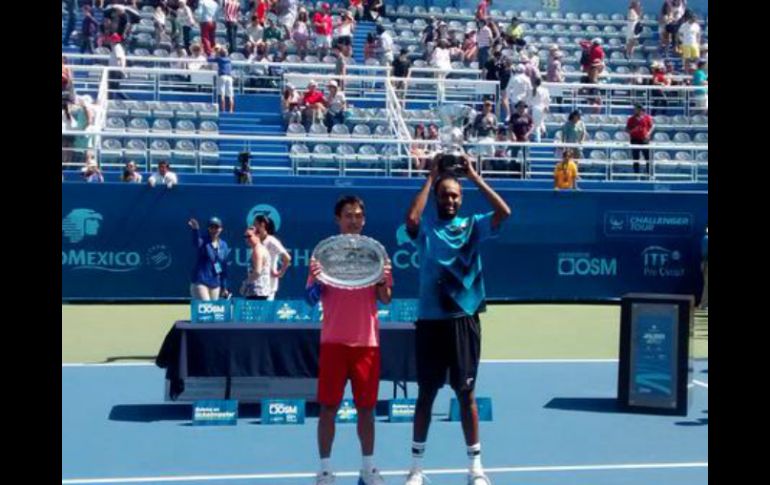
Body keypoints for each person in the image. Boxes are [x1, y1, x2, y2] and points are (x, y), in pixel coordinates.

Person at [403, 153, 511, 485]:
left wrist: (475, 178)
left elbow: (504, 212)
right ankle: (417, 469)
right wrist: (430, 177)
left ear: (461, 199)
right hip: (431, 321)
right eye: (444, 194)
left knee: (466, 396)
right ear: (436, 196)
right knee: (426, 395)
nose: (449, 200)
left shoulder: (472, 226)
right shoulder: (426, 229)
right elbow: (411, 219)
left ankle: (475, 468)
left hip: (463, 320)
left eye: (454, 195)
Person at [306, 195, 393, 485]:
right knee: (328, 408)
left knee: (366, 409)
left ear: (364, 219)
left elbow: (386, 299)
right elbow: (309, 299)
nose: (353, 220)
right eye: (348, 215)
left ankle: (368, 468)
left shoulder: (376, 256)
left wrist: (381, 279)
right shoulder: (323, 257)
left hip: (367, 343)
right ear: (338, 220)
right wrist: (317, 281)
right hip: (333, 342)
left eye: (358, 215)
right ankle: (325, 469)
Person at [188, 216, 231, 301]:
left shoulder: (223, 245)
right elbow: (196, 242)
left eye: (217, 227)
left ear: (221, 229)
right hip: (201, 282)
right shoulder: (203, 241)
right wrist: (195, 230)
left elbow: (224, 267)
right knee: (206, 308)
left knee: (213, 312)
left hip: (215, 284)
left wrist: (224, 287)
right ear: (208, 228)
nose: (214, 230)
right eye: (212, 227)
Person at [253, 214, 292, 301]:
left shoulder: (272, 241)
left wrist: (280, 273)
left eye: (255, 224)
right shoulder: (256, 241)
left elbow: (287, 258)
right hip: (257, 285)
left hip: (269, 286)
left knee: (266, 313)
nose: (253, 227)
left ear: (262, 225)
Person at [241, 226, 272, 300]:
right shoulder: (261, 248)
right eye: (245, 236)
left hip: (257, 292)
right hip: (262, 291)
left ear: (257, 235)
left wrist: (245, 284)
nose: (247, 239)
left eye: (249, 236)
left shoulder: (257, 250)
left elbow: (257, 272)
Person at [625, 104, 654, 176]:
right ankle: (636, 174)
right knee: (636, 158)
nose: (635, 110)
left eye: (636, 109)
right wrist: (631, 132)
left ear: (640, 109)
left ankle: (649, 173)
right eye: (634, 109)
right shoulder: (631, 119)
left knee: (647, 157)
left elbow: (652, 126)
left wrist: (648, 133)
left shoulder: (647, 118)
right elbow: (626, 128)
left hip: (644, 139)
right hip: (635, 139)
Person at [208, 46, 235, 112]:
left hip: (222, 77)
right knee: (230, 95)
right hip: (229, 77)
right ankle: (231, 110)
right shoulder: (229, 59)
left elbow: (209, 59)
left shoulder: (219, 59)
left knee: (222, 95)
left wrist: (214, 53)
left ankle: (223, 110)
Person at [508, 100, 533, 165]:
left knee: (526, 158)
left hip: (525, 140)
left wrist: (527, 134)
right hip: (516, 140)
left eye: (523, 107)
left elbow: (532, 127)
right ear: (517, 108)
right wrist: (512, 135)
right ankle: (513, 173)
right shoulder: (513, 116)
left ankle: (527, 173)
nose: (521, 108)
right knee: (514, 157)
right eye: (520, 107)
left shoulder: (528, 116)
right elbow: (510, 127)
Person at [526, 78, 550, 143]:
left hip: (535, 109)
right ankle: (544, 131)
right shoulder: (545, 90)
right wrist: (547, 107)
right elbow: (547, 100)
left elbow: (528, 101)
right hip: (543, 108)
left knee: (536, 126)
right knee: (540, 122)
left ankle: (538, 140)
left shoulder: (531, 90)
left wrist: (528, 109)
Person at [698, 226, 708, 311]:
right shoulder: (705, 238)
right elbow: (704, 253)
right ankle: (704, 304)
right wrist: (704, 264)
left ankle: (704, 304)